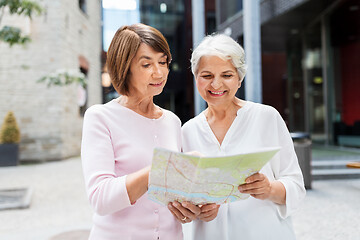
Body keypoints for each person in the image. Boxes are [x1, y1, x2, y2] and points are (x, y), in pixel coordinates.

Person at [168, 34, 306, 239]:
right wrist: (196, 211)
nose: (216, 85)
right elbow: (184, 199)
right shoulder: (187, 131)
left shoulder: (266, 117)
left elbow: (296, 186)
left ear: (239, 79)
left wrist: (269, 189)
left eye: (226, 75)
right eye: (206, 76)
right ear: (196, 78)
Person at [81, 23, 184, 239]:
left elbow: (175, 194)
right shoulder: (100, 117)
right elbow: (100, 199)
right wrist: (162, 168)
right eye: (146, 64)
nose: (159, 72)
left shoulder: (172, 121)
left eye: (163, 62)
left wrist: (193, 208)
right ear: (124, 67)